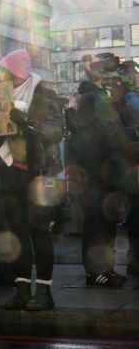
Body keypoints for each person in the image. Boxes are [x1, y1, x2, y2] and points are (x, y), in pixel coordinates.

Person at [0, 49, 64, 311]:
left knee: (39, 233)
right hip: (11, 176)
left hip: (39, 175)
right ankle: (22, 289)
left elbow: (56, 132)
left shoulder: (44, 96)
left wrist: (26, 122)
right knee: (18, 233)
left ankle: (44, 291)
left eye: (3, 71)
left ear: (17, 73)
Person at [66, 80, 130, 288]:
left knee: (94, 225)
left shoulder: (78, 119)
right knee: (101, 226)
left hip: (90, 180)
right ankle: (99, 272)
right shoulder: (98, 107)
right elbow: (113, 140)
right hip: (102, 179)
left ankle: (99, 271)